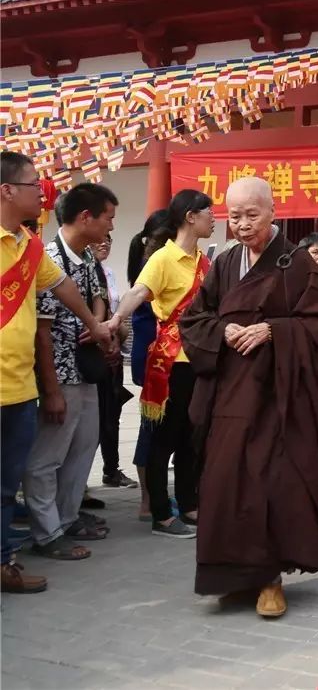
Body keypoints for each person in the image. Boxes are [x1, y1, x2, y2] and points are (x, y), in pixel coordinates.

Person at [179, 177, 318, 617]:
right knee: (223, 484)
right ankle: (234, 576)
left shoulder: (298, 264)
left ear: (273, 212)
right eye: (233, 216)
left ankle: (270, 580)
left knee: (269, 485)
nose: (242, 225)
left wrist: (276, 330)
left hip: (279, 397)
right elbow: (196, 317)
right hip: (230, 394)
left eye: (251, 215)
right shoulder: (225, 261)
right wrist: (223, 330)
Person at [1, 154, 114, 593]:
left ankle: (6, 562)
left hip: (17, 388)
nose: (43, 193)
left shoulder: (28, 246)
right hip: (43, 380)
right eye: (34, 185)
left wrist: (95, 325)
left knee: (8, 486)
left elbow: (63, 288)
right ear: (7, 190)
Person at [111, 190, 215, 539]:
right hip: (172, 363)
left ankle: (188, 504)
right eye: (208, 212)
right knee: (164, 439)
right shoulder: (163, 259)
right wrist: (114, 322)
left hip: (199, 360)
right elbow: (138, 293)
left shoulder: (204, 262)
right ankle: (160, 514)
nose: (214, 218)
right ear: (190, 217)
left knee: (191, 438)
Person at [25, 183, 120, 562]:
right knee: (46, 457)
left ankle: (65, 519)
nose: (110, 226)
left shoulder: (86, 257)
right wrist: (51, 389)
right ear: (86, 217)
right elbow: (41, 334)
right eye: (108, 218)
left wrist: (99, 326)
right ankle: (46, 532)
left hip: (85, 372)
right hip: (60, 374)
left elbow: (97, 299)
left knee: (81, 449)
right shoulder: (49, 259)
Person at [125, 209, 169, 520]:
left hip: (162, 355)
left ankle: (153, 497)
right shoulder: (155, 267)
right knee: (151, 428)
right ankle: (147, 501)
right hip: (156, 357)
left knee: (158, 429)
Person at [92, 234, 136, 490]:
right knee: (96, 419)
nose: (104, 242)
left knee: (112, 415)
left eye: (109, 239)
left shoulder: (107, 273)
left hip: (113, 353)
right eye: (99, 239)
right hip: (94, 353)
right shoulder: (82, 270)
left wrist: (118, 336)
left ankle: (112, 468)